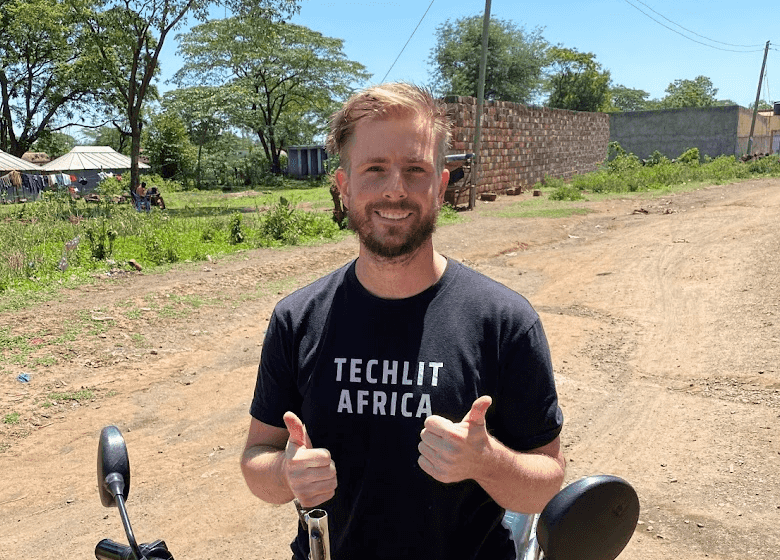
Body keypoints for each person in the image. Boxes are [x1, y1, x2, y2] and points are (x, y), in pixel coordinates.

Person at [240, 82, 565, 560]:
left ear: (441, 185)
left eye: (415, 169)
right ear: (344, 184)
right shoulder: (297, 318)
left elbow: (548, 483)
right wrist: (285, 474)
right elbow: (255, 458)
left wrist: (485, 461)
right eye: (375, 169)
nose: (395, 187)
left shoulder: (504, 321)